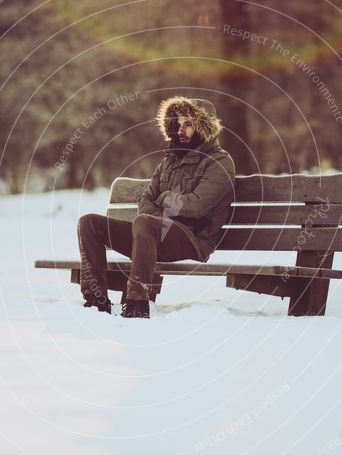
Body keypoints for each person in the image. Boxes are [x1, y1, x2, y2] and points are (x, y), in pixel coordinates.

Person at [77, 96, 236, 318]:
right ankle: (96, 300)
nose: (180, 130)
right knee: (89, 223)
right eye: (178, 124)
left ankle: (136, 302)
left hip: (192, 239)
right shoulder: (169, 161)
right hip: (151, 235)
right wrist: (163, 210)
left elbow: (197, 207)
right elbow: (145, 201)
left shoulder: (219, 162)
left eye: (188, 124)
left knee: (145, 222)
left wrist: (164, 199)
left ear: (203, 126)